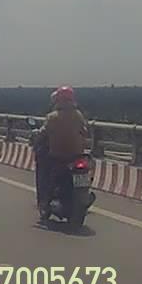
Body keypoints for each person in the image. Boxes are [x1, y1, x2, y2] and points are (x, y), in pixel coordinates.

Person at [32, 86, 90, 216]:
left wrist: (36, 137)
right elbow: (85, 132)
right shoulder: (78, 115)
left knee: (45, 173)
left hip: (58, 156)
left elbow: (43, 133)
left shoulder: (52, 117)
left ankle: (45, 201)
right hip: (77, 155)